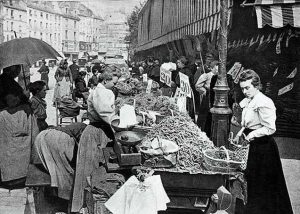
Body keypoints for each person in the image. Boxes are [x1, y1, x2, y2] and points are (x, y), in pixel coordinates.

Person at [234, 69, 293, 214]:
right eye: (242, 88)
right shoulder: (249, 101)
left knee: (263, 184)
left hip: (263, 148)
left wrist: (250, 136)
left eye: (248, 87)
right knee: (251, 181)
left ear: (256, 86)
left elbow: (270, 128)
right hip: (252, 145)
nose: (245, 91)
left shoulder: (264, 102)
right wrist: (240, 133)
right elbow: (247, 125)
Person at [71, 71, 116, 212]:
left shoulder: (102, 91)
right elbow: (106, 113)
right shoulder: (101, 92)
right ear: (106, 81)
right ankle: (86, 206)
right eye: (113, 82)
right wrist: (121, 121)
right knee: (90, 169)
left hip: (99, 130)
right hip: (96, 132)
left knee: (93, 168)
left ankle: (90, 204)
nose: (115, 85)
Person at [34, 123, 87, 200]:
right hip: (58, 138)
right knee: (65, 171)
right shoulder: (89, 130)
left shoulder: (79, 126)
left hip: (42, 136)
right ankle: (65, 198)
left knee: (53, 168)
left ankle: (53, 194)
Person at [195, 60, 219, 130]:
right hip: (208, 98)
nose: (218, 70)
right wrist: (205, 91)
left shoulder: (220, 77)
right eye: (216, 68)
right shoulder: (206, 75)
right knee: (205, 114)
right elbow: (197, 85)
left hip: (216, 97)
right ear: (212, 68)